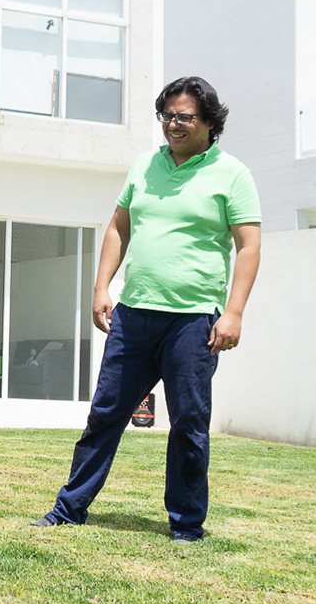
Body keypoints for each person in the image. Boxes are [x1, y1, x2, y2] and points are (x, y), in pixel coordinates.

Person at [32, 76, 262, 542]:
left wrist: (233, 312)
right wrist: (102, 287)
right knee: (104, 416)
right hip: (134, 316)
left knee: (188, 427)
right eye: (166, 116)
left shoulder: (232, 174)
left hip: (195, 321)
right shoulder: (143, 166)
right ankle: (69, 509)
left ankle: (186, 525)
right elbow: (119, 228)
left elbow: (249, 246)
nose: (173, 125)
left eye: (184, 117)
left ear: (210, 122)